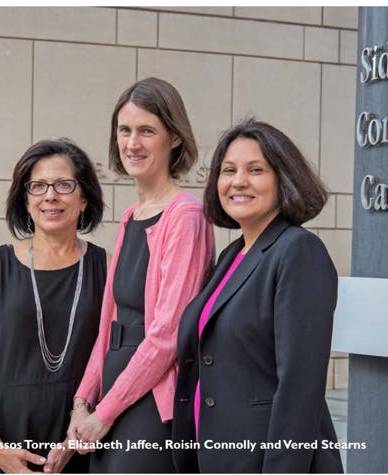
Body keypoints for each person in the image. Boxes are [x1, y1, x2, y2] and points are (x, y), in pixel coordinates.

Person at [171, 119, 344, 473]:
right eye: (228, 170)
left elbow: (300, 386)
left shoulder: (298, 251)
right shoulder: (231, 257)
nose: (238, 181)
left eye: (256, 170)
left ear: (283, 179)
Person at [65, 77, 214, 473]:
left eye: (147, 130)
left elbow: (166, 336)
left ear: (175, 139)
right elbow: (107, 327)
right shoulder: (132, 215)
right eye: (125, 130)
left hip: (149, 402)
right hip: (112, 397)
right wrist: (83, 402)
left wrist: (105, 413)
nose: (133, 143)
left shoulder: (186, 216)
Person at [0, 139, 106, 473]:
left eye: (64, 185)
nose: (50, 195)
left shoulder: (106, 267)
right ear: (25, 200)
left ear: (84, 198)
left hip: (73, 441)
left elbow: (110, 360)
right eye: (37, 186)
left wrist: (74, 440)